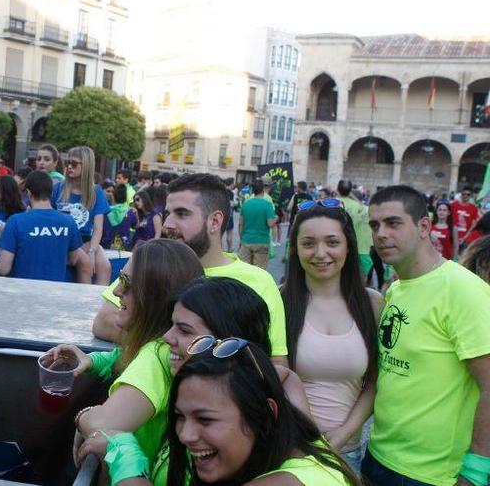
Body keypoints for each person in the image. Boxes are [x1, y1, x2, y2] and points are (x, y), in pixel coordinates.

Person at [363, 185, 490, 485]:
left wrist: (475, 472)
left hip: (432, 475)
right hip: (378, 457)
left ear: (424, 226)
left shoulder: (463, 290)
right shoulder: (395, 289)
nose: (381, 233)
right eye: (374, 225)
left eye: (393, 223)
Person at [92, 173, 289, 364]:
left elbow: (277, 361)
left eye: (182, 214)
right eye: (167, 213)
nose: (168, 224)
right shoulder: (149, 263)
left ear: (214, 221)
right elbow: (104, 321)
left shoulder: (258, 282)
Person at [101, 346, 359, 486]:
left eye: (205, 419)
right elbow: (289, 377)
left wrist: (124, 458)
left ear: (266, 413)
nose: (185, 435)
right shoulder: (297, 434)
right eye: (180, 416)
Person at [51, 239, 203, 470]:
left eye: (126, 282)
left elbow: (102, 424)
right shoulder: (167, 348)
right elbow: (126, 358)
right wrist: (93, 360)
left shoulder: (156, 355)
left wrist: (84, 415)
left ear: (153, 297)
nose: (117, 290)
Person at [281, 198, 384, 469]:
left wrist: (341, 436)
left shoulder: (371, 304)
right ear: (295, 249)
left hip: (347, 453)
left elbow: (374, 382)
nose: (320, 252)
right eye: (308, 243)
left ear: (349, 246)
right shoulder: (279, 301)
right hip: (288, 451)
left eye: (332, 242)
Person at [0, 171, 89, 282]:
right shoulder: (68, 221)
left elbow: (3, 269)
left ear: (28, 193)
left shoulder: (16, 221)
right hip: (55, 292)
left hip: (23, 292)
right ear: (51, 193)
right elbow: (73, 259)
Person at [51, 146, 112, 285]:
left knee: (105, 266)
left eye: (74, 163)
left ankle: (100, 305)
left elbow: (98, 228)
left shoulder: (95, 192)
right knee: (86, 265)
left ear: (86, 166)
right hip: (63, 239)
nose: (69, 167)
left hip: (86, 240)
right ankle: (86, 303)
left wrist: (92, 251)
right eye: (68, 163)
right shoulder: (58, 189)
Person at [238, 178, 277, 269]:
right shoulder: (268, 204)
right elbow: (270, 224)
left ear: (252, 190)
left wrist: (241, 239)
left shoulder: (246, 204)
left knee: (245, 269)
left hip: (246, 240)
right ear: (263, 189)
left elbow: (240, 224)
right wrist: (276, 218)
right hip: (262, 241)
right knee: (259, 271)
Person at [338, 180, 373, 277]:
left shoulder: (332, 203)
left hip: (338, 245)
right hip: (360, 247)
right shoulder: (360, 207)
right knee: (360, 277)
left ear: (337, 189)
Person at [102, 183, 138, 250]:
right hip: (125, 246)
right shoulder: (131, 212)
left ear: (113, 196)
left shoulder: (104, 212)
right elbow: (135, 226)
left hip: (106, 246)